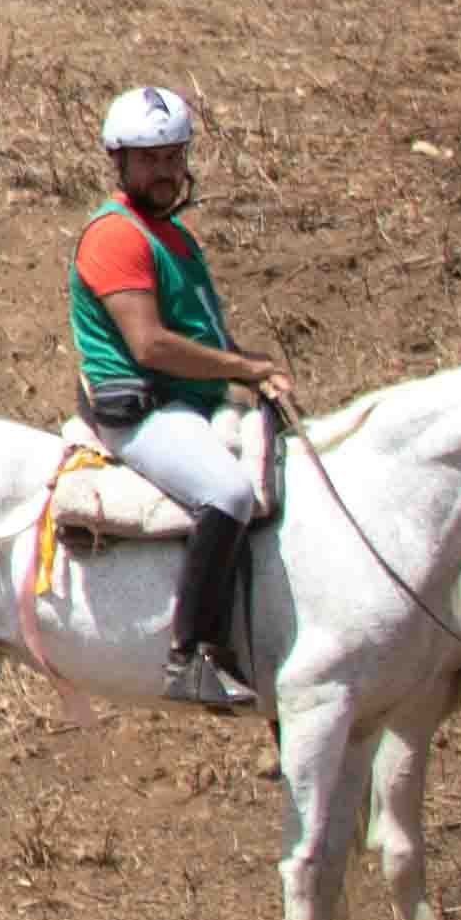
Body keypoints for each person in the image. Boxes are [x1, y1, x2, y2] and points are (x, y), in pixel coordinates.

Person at [73, 83, 295, 710]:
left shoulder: (174, 236)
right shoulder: (117, 236)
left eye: (174, 156)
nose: (166, 171)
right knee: (226, 491)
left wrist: (251, 370)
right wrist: (246, 367)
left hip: (191, 404)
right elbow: (150, 345)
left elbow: (202, 337)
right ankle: (194, 654)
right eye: (151, 159)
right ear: (119, 161)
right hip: (142, 413)